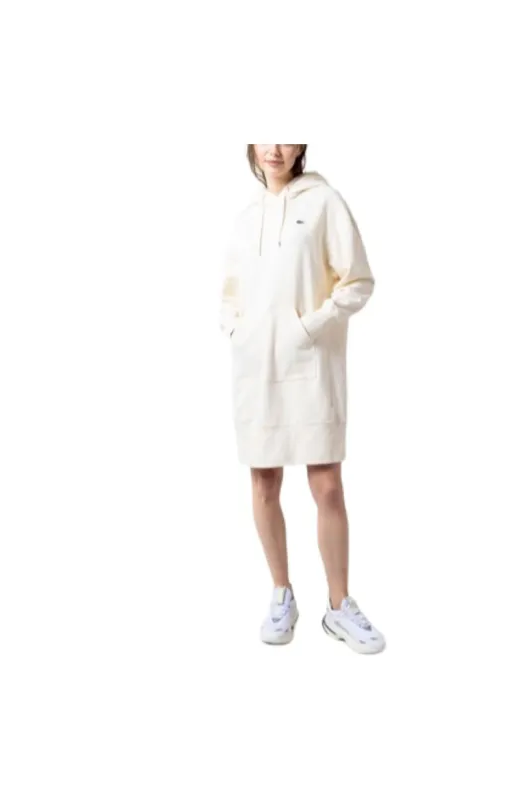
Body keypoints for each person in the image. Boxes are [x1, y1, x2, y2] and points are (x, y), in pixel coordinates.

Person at [219, 145, 385, 655]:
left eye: (287, 136)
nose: (275, 149)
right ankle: (281, 593)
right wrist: (237, 330)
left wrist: (310, 327)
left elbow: (358, 281)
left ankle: (339, 605)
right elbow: (230, 294)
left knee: (327, 484)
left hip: (311, 366)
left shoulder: (324, 202)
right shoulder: (246, 217)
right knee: (264, 482)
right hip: (257, 370)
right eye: (265, 135)